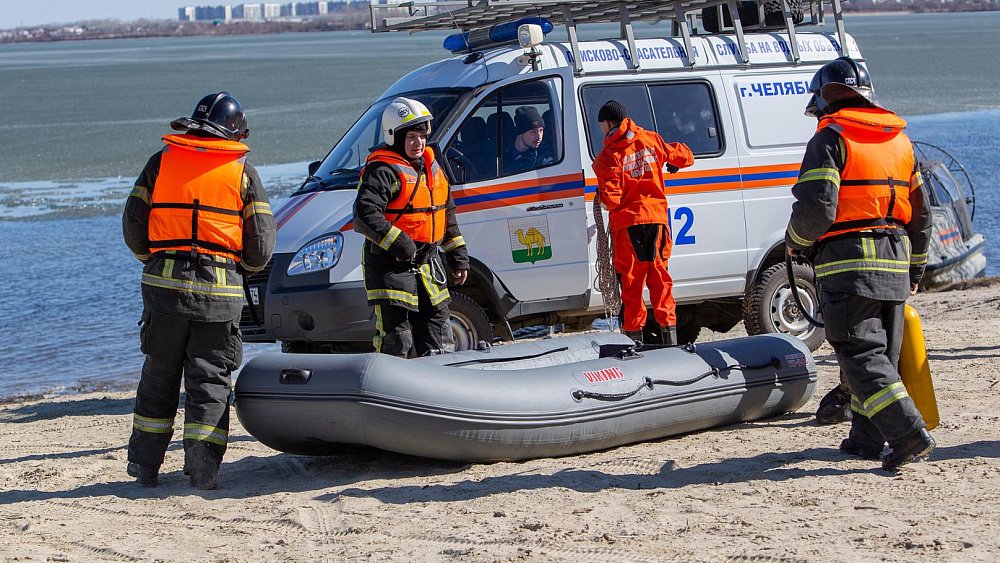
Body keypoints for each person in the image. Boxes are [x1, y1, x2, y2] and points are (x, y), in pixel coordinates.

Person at [785, 56, 934, 471]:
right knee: (881, 356)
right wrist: (916, 270)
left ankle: (908, 435)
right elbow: (922, 217)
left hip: (849, 264)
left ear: (827, 98)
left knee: (859, 355)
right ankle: (866, 438)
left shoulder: (830, 138)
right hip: (895, 260)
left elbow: (817, 209)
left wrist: (795, 243)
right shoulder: (900, 143)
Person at [122, 92, 275, 489]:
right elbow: (259, 249)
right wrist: (240, 268)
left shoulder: (161, 163)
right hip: (219, 297)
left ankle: (145, 466)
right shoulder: (241, 172)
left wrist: (155, 260)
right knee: (209, 382)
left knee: (159, 375)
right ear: (234, 132)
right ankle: (203, 469)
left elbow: (133, 226)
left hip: (162, 292)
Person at [353, 97, 469, 358]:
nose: (419, 143)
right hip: (390, 268)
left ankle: (443, 391)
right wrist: (399, 242)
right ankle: (390, 393)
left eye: (422, 136)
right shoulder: (383, 170)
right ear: (395, 137)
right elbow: (364, 214)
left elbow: (445, 215)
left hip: (429, 266)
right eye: (412, 138)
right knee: (397, 339)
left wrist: (458, 257)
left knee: (439, 335)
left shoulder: (432, 169)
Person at [592, 100, 694, 346]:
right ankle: (671, 340)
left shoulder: (607, 157)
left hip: (629, 226)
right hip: (657, 221)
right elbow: (685, 156)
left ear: (606, 123)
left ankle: (633, 343)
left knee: (631, 285)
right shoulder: (651, 140)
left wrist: (603, 197)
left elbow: (612, 200)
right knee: (660, 280)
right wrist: (673, 165)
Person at [504, 106, 553, 175]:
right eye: (533, 132)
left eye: (541, 130)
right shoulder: (498, 150)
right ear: (520, 132)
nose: (539, 136)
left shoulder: (544, 157)